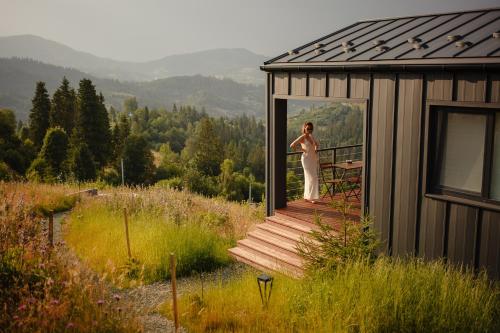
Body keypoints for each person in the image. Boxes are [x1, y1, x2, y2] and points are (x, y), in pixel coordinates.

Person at [290, 122, 320, 203]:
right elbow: (292, 145)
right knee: (313, 177)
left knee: (310, 178)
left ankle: (307, 196)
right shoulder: (302, 137)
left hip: (313, 159)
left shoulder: (311, 136)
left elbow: (317, 144)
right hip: (306, 159)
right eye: (308, 128)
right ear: (304, 129)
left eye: (311, 129)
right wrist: (302, 149)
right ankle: (311, 198)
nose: (310, 130)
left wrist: (316, 149)